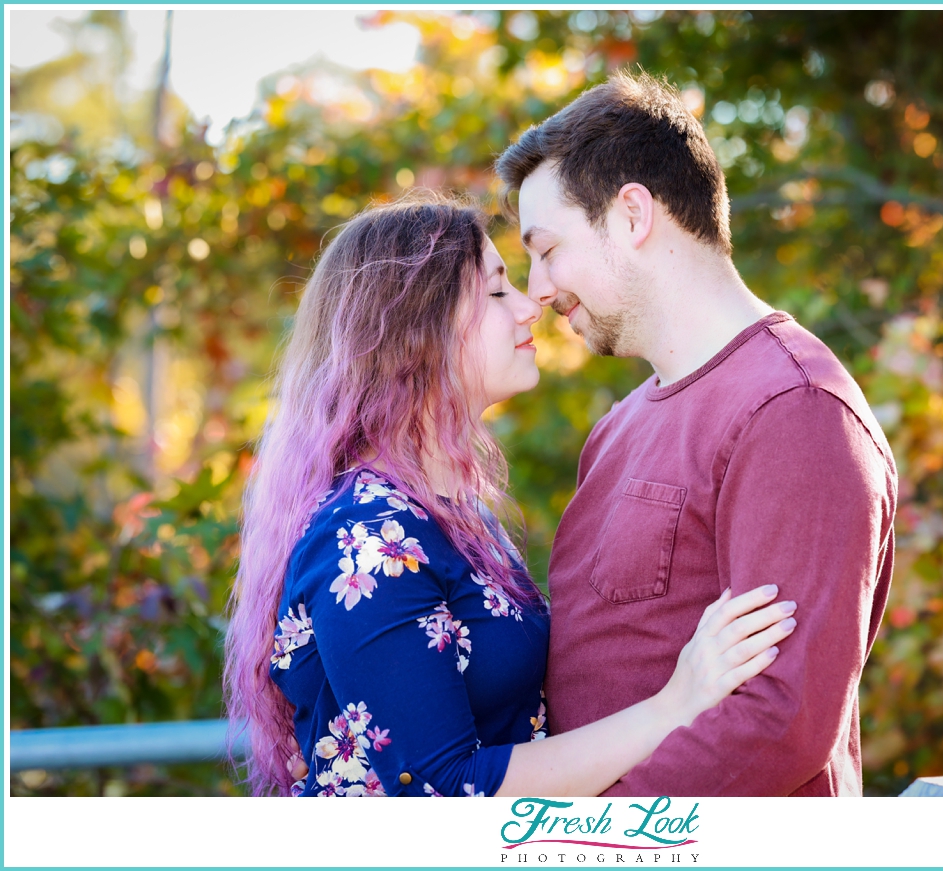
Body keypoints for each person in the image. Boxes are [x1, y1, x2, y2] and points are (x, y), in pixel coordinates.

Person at [223, 195, 799, 797]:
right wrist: (674, 703)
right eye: (498, 292)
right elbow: (447, 791)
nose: (531, 306)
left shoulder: (452, 514)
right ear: (417, 328)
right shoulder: (367, 542)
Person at [495, 71, 898, 796]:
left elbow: (782, 721)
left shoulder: (795, 408)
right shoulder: (616, 429)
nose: (539, 287)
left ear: (632, 215)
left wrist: (580, 839)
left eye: (547, 249)